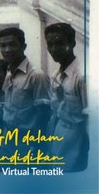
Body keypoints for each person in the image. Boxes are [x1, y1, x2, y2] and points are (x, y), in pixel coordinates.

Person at [44, 23, 88, 171]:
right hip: (58, 131)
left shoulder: (82, 76)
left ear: (72, 43)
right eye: (50, 44)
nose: (54, 49)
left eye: (60, 43)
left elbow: (91, 116)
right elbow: (57, 107)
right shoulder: (56, 74)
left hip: (78, 136)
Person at [0, 27, 50, 133]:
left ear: (23, 46)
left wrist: (35, 144)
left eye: (12, 45)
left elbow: (43, 114)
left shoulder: (36, 76)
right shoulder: (8, 71)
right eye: (3, 46)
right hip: (6, 134)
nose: (7, 50)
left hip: (26, 138)